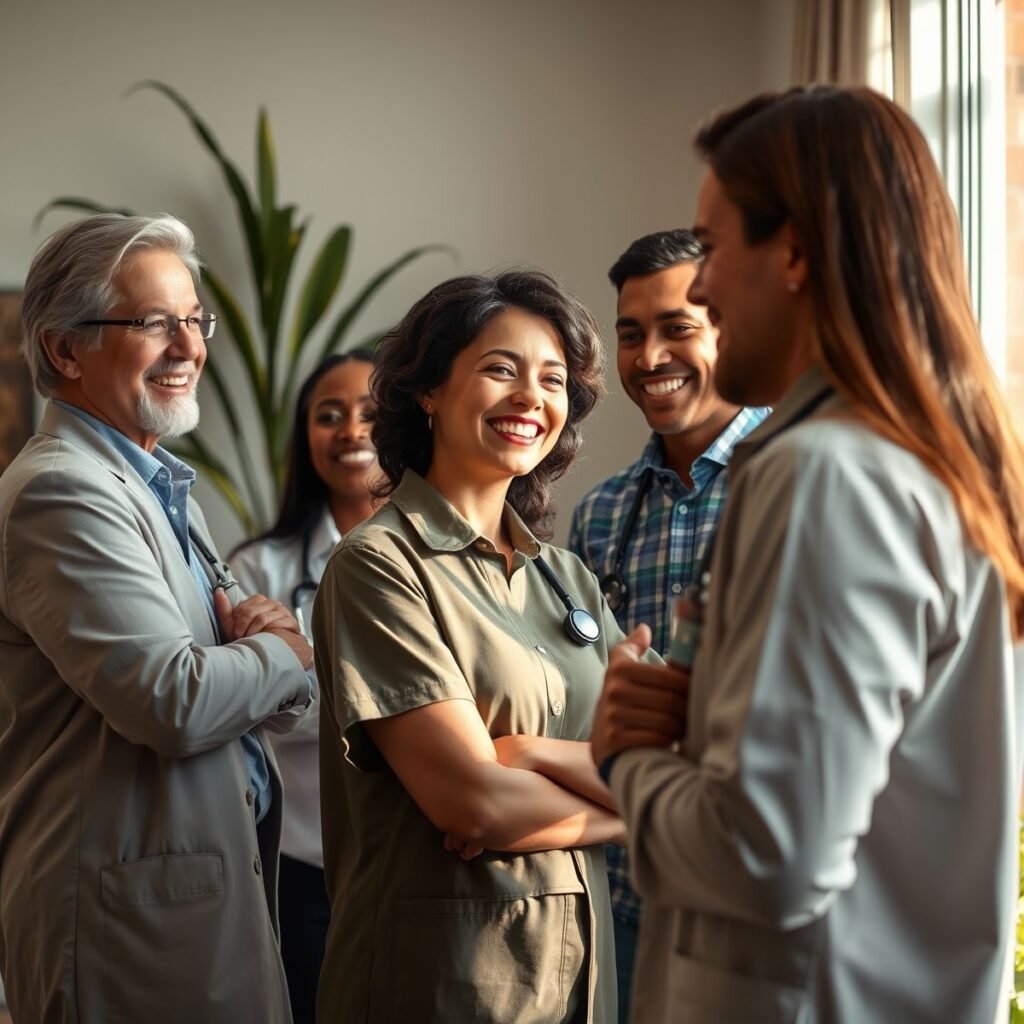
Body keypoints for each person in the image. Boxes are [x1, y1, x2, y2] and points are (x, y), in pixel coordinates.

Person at [590, 85, 1024, 1023]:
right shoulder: (918, 463)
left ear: (792, 252)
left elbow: (769, 857)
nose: (700, 290)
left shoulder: (824, 478)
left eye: (710, 250)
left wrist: (629, 759)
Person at [313, 270, 659, 1024]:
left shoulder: (566, 577)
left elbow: (691, 757)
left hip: (580, 987)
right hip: (446, 987)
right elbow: (474, 803)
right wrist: (644, 811)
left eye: (553, 380)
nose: (531, 397)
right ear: (429, 392)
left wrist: (530, 754)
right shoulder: (378, 566)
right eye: (502, 369)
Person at [0, 214, 314, 1024]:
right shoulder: (61, 492)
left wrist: (272, 662)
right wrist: (288, 651)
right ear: (65, 349)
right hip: (126, 928)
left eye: (195, 320)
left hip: (195, 902)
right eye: (152, 323)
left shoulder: (159, 484)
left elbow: (263, 697)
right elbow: (175, 701)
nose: (189, 346)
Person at [568, 229, 768, 1020]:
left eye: (677, 328)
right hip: (625, 896)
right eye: (630, 334)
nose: (650, 357)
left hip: (748, 901)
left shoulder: (788, 482)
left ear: (726, 325)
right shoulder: (603, 514)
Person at [230, 351, 377, 1024]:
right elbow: (250, 716)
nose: (351, 431)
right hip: (302, 867)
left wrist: (301, 667)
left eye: (371, 413)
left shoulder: (442, 557)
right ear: (305, 437)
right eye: (329, 415)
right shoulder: (257, 567)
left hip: (414, 861)